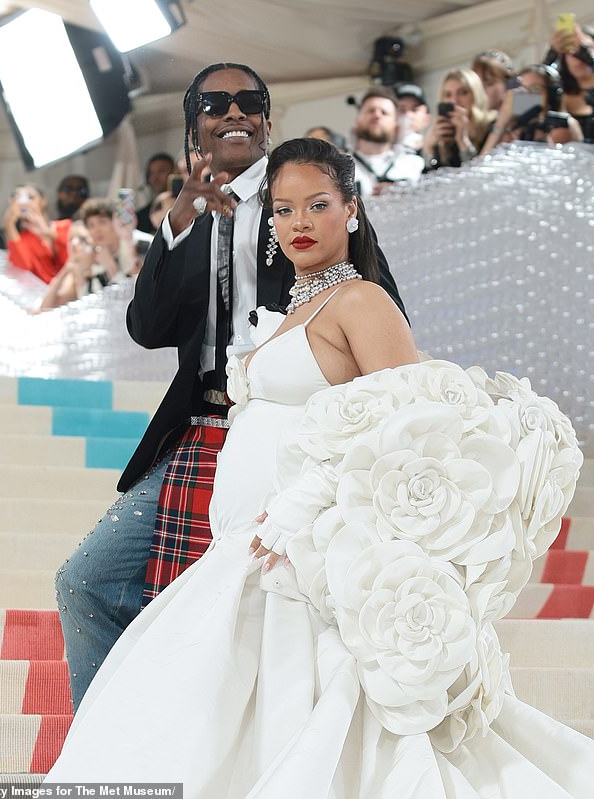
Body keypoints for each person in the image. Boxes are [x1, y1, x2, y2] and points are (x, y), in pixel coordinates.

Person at [46, 138, 594, 794]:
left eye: (317, 204)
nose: (298, 222)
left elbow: (418, 428)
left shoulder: (362, 301)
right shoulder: (295, 308)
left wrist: (308, 497)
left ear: (352, 211)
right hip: (252, 543)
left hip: (299, 549)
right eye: (283, 209)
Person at [55, 63, 407, 713]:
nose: (234, 112)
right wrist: (177, 221)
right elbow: (148, 327)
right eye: (217, 103)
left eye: (250, 101)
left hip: (296, 448)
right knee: (88, 581)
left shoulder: (312, 192)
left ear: (268, 120)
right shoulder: (190, 216)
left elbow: (380, 318)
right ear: (196, 127)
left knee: (257, 616)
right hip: (203, 431)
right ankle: (110, 751)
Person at [481, 65, 583, 154]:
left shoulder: (562, 125)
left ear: (551, 94)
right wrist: (501, 124)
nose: (527, 94)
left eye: (535, 89)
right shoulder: (506, 130)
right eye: (522, 89)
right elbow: (481, 167)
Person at [349, 86, 424, 196]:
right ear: (357, 121)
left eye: (384, 112)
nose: (377, 115)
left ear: (396, 125)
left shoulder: (414, 165)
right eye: (371, 111)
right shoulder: (339, 169)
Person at [422, 68, 495, 170]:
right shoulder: (444, 134)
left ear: (475, 95)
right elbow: (432, 180)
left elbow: (479, 175)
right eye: (448, 95)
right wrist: (429, 150)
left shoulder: (493, 127)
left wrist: (463, 141)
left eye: (463, 93)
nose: (454, 101)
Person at [3, 183, 71, 283]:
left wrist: (48, 232)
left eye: (31, 197)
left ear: (43, 201)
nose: (25, 202)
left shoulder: (65, 226)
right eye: (19, 198)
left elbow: (78, 252)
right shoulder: (22, 239)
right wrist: (9, 225)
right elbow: (23, 268)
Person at [547, 20, 594, 142]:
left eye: (586, 48)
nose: (577, 57)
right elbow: (525, 101)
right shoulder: (557, 93)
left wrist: (588, 58)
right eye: (570, 51)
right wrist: (552, 54)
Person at [38, 221, 98, 311]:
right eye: (71, 239)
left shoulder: (99, 272)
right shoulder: (71, 273)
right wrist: (65, 270)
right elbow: (44, 307)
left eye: (82, 239)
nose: (74, 243)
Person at [136, 152, 175, 234]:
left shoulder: (186, 206)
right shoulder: (140, 217)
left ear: (174, 173)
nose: (155, 178)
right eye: (151, 173)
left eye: (161, 171)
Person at [394, 82, 431, 152]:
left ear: (426, 119)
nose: (408, 115)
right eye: (402, 109)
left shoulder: (436, 153)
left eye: (415, 110)